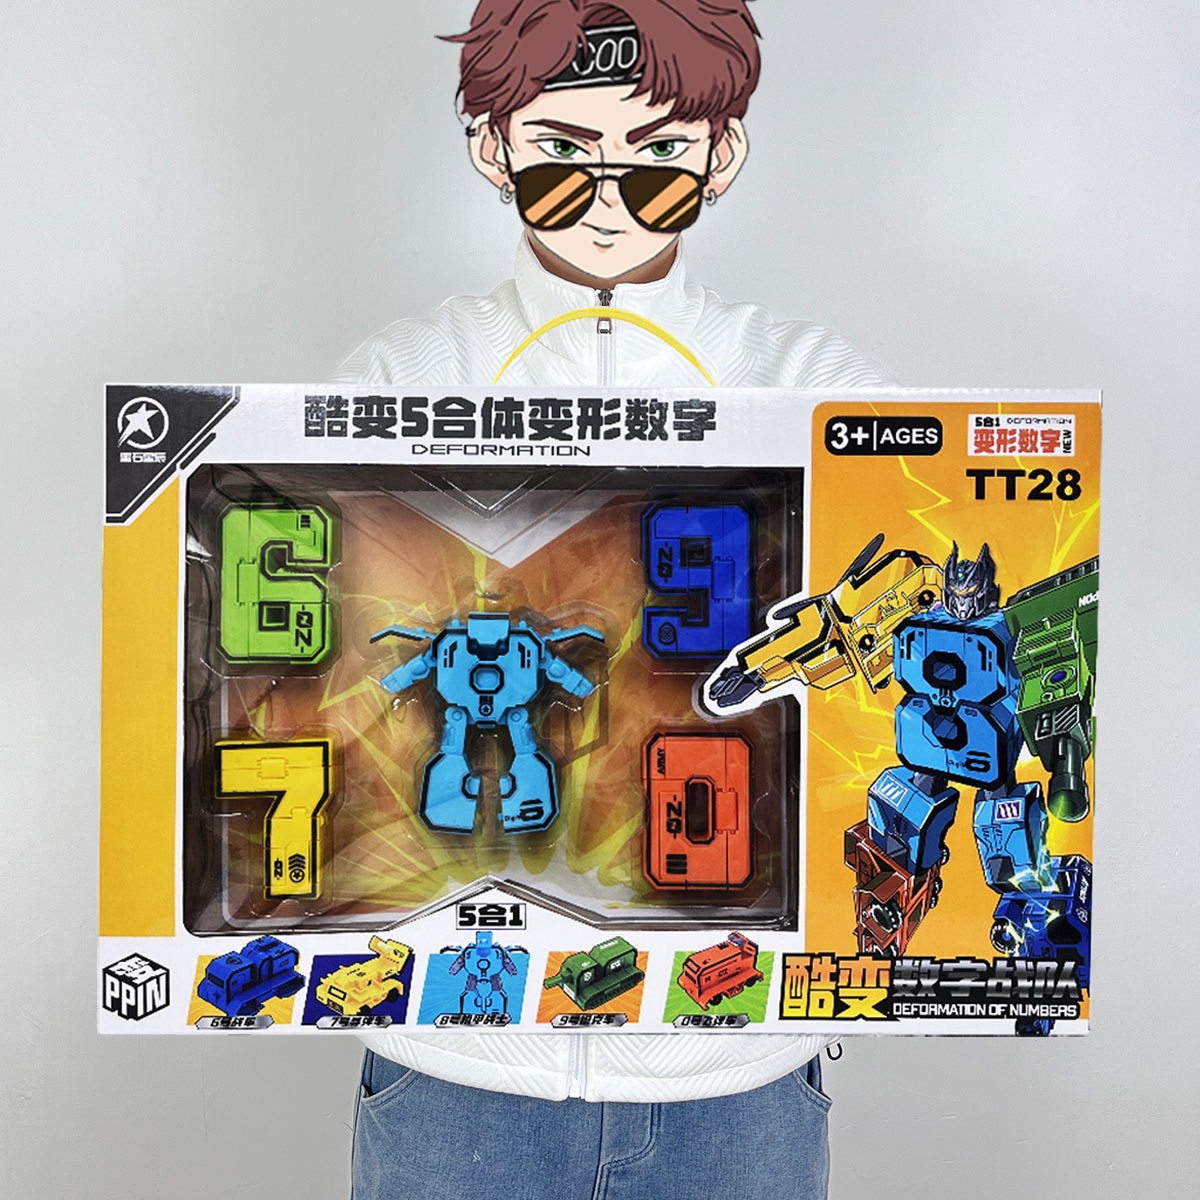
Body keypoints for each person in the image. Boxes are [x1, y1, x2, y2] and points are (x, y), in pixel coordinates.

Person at [336, 4, 886, 1197]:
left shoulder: (816, 386)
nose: (607, 195)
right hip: (457, 1059)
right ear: (491, 145)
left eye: (658, 153)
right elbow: (329, 686)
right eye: (561, 150)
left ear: (722, 151)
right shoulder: (395, 380)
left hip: (732, 1069)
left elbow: (876, 694)